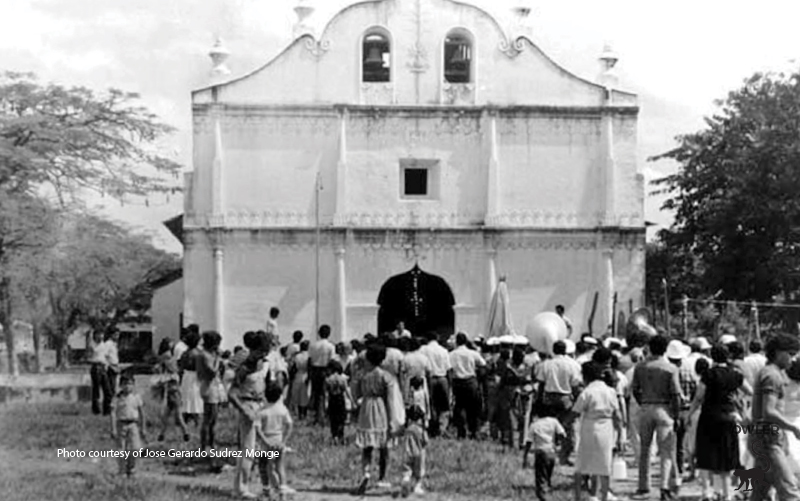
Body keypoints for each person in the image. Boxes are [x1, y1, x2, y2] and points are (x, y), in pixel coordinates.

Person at [690, 344, 745, 501]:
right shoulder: (735, 375)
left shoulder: (708, 374)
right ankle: (728, 493)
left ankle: (707, 492)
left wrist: (689, 414)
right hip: (728, 417)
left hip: (709, 417)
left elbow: (699, 397)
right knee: (727, 456)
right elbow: (749, 390)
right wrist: (737, 401)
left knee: (706, 454)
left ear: (712, 356)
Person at [749, 333, 800, 501]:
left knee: (759, 493)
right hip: (767, 441)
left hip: (764, 438)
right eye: (791, 354)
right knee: (789, 490)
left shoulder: (769, 372)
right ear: (779, 352)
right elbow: (768, 411)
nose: (792, 360)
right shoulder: (772, 376)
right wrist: (793, 428)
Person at [630, 335, 681, 500]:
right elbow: (676, 394)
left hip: (646, 407)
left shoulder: (640, 367)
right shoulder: (670, 368)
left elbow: (635, 389)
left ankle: (643, 486)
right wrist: (677, 414)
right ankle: (664, 487)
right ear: (665, 349)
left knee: (645, 449)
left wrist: (643, 402)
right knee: (666, 451)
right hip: (664, 408)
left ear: (650, 348)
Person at [572, 362, 622, 501]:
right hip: (607, 428)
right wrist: (620, 436)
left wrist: (563, 424)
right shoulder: (610, 391)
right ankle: (604, 496)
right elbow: (618, 416)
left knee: (581, 464)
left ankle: (577, 497)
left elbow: (576, 412)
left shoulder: (587, 392)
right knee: (604, 465)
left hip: (590, 427)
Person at [228, 332, 268, 499]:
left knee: (257, 450)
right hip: (248, 405)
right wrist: (244, 410)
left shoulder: (261, 364)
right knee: (248, 449)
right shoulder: (246, 367)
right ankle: (240, 488)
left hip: (260, 405)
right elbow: (232, 393)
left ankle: (249, 484)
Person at [353, 343, 398, 494]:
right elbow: (391, 400)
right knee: (384, 447)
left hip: (366, 408)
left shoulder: (362, 374)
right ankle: (382, 478)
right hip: (381, 409)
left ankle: (365, 472)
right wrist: (393, 420)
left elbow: (356, 394)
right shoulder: (386, 376)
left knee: (367, 446)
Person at [535, 340, 583, 465]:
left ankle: (549, 453)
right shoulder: (573, 365)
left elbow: (541, 383)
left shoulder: (546, 364)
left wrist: (538, 400)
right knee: (567, 426)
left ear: (554, 350)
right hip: (566, 398)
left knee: (550, 426)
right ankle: (564, 456)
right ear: (565, 350)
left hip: (549, 398)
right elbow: (576, 385)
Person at [255, 381, 293, 501]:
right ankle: (283, 491)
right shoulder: (282, 409)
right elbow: (289, 425)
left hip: (266, 445)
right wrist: (284, 441)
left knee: (264, 467)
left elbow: (258, 429)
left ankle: (267, 490)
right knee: (280, 467)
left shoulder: (262, 411)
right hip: (279, 441)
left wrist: (265, 441)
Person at [449, 332, 487, 440]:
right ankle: (473, 431)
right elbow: (483, 364)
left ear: (456, 342)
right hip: (471, 381)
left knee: (459, 407)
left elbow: (449, 368)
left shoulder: (452, 354)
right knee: (472, 408)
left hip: (457, 383)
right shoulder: (472, 353)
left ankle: (461, 431)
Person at [523, 406, 566, 500]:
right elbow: (562, 434)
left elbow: (529, 441)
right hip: (551, 453)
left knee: (541, 479)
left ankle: (544, 497)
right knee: (548, 476)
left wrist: (525, 456)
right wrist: (559, 444)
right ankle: (549, 492)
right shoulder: (554, 421)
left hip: (541, 453)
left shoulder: (534, 424)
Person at [110, 372, 146, 477]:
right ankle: (122, 470)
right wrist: (113, 428)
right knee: (121, 449)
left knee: (135, 448)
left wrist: (143, 428)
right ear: (120, 385)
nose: (127, 386)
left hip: (133, 424)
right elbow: (112, 412)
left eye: (130, 384)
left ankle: (132, 468)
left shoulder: (136, 397)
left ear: (134, 385)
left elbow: (142, 412)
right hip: (121, 424)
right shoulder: (117, 397)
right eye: (125, 384)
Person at [420, 332, 452, 437]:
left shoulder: (423, 349)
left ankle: (432, 427)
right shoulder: (444, 350)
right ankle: (442, 428)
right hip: (442, 378)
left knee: (431, 403)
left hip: (430, 378)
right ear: (437, 338)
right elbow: (448, 369)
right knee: (444, 405)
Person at [197, 331, 224, 453]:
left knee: (213, 419)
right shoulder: (205, 355)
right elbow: (212, 371)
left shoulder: (207, 354)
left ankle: (210, 444)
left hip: (212, 387)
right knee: (209, 419)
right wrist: (218, 358)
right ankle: (205, 446)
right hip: (209, 388)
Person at [309, 325, 336, 425]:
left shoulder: (313, 345)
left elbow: (310, 360)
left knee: (315, 393)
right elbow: (332, 360)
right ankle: (322, 416)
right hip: (325, 370)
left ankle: (316, 416)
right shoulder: (330, 346)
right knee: (324, 394)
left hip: (315, 370)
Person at [401, 405, 429, 497]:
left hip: (407, 452)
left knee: (407, 469)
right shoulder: (420, 429)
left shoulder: (407, 429)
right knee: (419, 471)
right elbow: (426, 441)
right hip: (419, 453)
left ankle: (406, 479)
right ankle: (417, 486)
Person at [179, 329, 204, 427]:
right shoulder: (198, 353)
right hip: (195, 376)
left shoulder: (184, 353)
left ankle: (186, 419)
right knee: (196, 398)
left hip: (186, 376)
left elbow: (181, 367)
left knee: (186, 397)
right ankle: (197, 421)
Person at [325, 359, 353, 444]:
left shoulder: (328, 379)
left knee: (333, 419)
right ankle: (341, 436)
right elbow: (346, 391)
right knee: (341, 418)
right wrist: (352, 401)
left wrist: (325, 404)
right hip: (340, 399)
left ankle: (334, 436)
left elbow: (326, 393)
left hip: (331, 399)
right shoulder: (342, 379)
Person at [88, 330, 114, 415]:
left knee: (108, 390)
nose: (101, 337)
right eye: (99, 335)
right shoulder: (92, 344)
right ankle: (96, 411)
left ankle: (107, 410)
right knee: (96, 391)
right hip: (96, 367)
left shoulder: (103, 344)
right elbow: (88, 356)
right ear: (95, 335)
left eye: (102, 335)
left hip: (103, 367)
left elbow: (105, 355)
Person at [288, 340, 311, 419]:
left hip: (298, 375)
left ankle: (299, 414)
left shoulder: (297, 356)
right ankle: (304, 413)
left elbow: (293, 367)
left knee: (297, 395)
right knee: (305, 395)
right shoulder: (309, 356)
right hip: (306, 375)